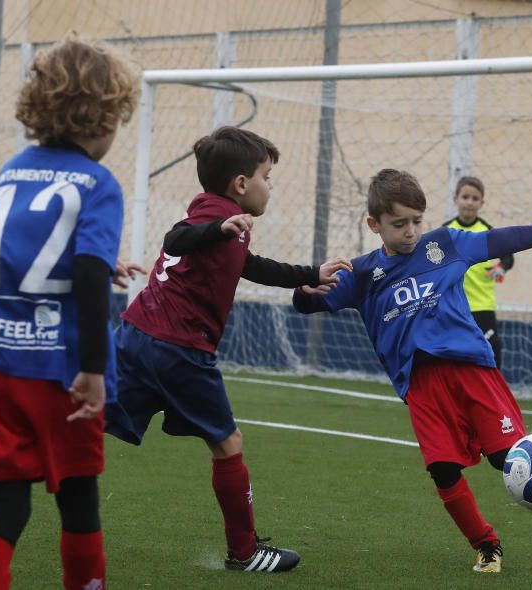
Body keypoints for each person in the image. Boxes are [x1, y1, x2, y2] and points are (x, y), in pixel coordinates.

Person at [293, 169, 532, 574]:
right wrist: (303, 291)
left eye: (417, 221)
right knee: (442, 468)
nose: (410, 232)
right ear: (374, 225)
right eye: (398, 224)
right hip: (421, 386)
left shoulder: (446, 244)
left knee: (505, 459)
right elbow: (310, 304)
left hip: (472, 370)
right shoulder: (363, 275)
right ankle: (487, 545)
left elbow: (505, 238)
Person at [105, 126, 352, 574]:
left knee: (86, 425)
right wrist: (218, 228)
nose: (270, 185)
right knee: (227, 443)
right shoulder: (215, 218)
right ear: (241, 183)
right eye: (267, 175)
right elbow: (176, 239)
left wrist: (310, 272)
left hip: (137, 336)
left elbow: (251, 267)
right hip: (179, 351)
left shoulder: (223, 219)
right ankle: (244, 552)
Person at [0, 37, 139, 590]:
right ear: (99, 118)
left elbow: (8, 256)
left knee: (7, 509)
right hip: (59, 370)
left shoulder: (11, 173)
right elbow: (84, 274)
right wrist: (91, 370)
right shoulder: (98, 184)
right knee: (79, 500)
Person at [443, 176, 513, 368]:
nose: (469, 202)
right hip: (454, 307)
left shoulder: (487, 232)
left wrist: (501, 268)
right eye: (465, 197)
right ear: (456, 199)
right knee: (453, 360)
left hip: (483, 306)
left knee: (490, 357)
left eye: (475, 199)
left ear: (481, 203)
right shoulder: (445, 232)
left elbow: (508, 256)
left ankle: (493, 395)